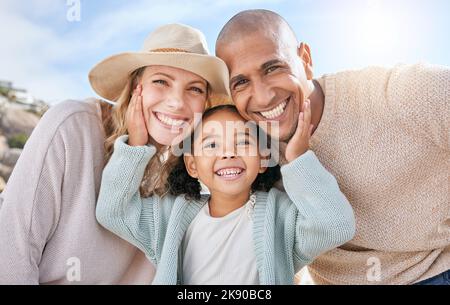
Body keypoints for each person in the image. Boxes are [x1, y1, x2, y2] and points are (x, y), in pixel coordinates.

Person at [215, 9, 450, 285]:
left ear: (305, 59)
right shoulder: (246, 150)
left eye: (273, 68)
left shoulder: (403, 94)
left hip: (433, 270)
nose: (264, 96)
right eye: (241, 82)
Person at [0, 23, 229, 284]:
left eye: (195, 88)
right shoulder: (73, 127)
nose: (177, 102)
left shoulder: (187, 175)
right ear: (135, 87)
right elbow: (12, 252)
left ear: (206, 103)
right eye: (161, 81)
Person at [95, 104, 355, 285]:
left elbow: (335, 226)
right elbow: (113, 212)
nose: (228, 153)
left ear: (263, 157)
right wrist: (136, 145)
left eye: (242, 141)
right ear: (192, 165)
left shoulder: (282, 218)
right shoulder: (169, 216)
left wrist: (298, 160)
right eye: (211, 144)